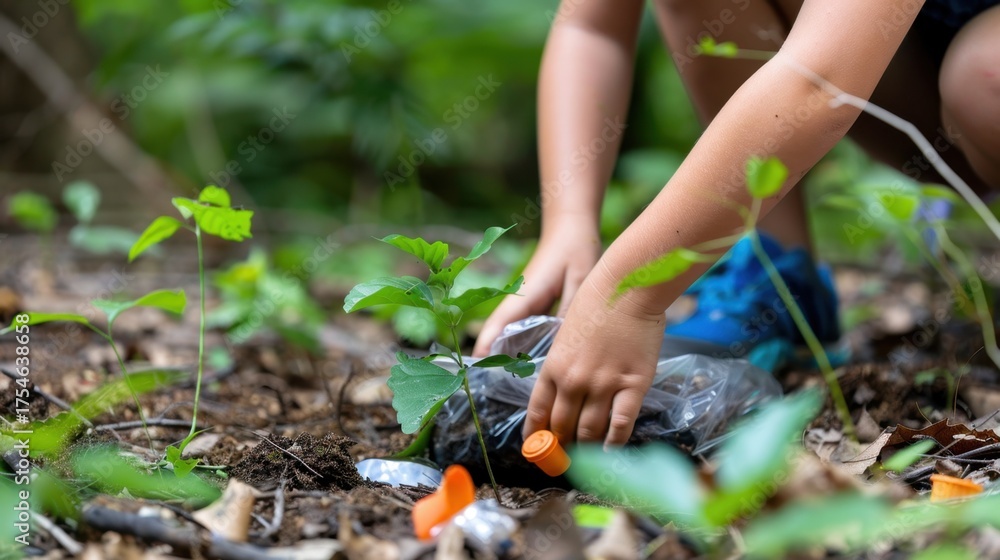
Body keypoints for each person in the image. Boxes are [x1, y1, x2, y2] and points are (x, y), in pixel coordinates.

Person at [472, 0, 1000, 448]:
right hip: (912, 79)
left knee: (984, 75)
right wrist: (568, 226)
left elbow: (818, 83)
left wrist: (629, 292)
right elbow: (592, 25)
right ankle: (780, 276)